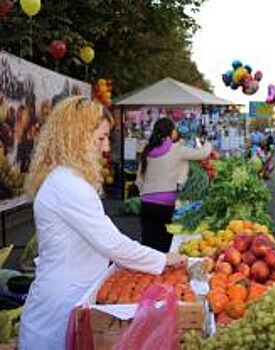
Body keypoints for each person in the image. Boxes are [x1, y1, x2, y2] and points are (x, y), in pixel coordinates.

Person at [20, 96, 186, 349]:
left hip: (68, 300)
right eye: (101, 138)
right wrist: (162, 259)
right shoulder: (68, 185)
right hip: (58, 311)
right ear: (76, 137)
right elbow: (111, 243)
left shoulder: (67, 180)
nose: (107, 148)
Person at [137, 117, 212, 252]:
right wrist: (206, 142)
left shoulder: (147, 151)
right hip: (166, 205)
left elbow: (139, 180)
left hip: (146, 204)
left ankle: (147, 271)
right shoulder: (177, 149)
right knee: (164, 246)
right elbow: (203, 153)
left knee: (148, 245)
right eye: (175, 129)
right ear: (171, 132)